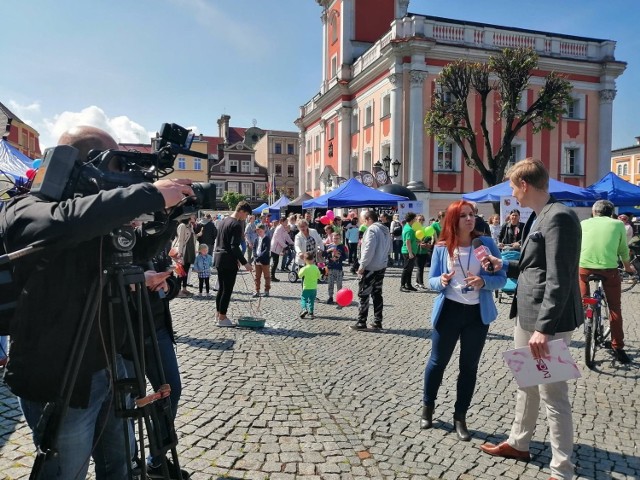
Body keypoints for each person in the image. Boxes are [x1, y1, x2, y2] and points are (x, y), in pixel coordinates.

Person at [0, 125, 194, 480]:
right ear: (87, 164)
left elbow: (136, 253)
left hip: (110, 366)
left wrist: (167, 221)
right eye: (117, 165)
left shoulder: (98, 221)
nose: (120, 178)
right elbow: (62, 224)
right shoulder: (26, 207)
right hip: (59, 376)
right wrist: (148, 195)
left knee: (119, 465)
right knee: (65, 473)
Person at [479, 158, 583, 480]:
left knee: (554, 394)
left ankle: (562, 468)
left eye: (513, 186)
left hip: (545, 323)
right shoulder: (539, 217)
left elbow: (560, 278)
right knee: (526, 383)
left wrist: (544, 329)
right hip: (527, 316)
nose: (513, 193)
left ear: (524, 184)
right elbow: (533, 269)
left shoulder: (559, 217)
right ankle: (518, 442)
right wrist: (502, 265)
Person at [422, 200, 506, 441]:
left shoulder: (486, 244)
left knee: (468, 367)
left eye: (472, 215)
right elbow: (432, 280)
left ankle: (460, 417)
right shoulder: (442, 247)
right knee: (438, 362)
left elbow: (501, 278)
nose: (469, 219)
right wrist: (443, 281)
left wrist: (484, 282)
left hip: (476, 315)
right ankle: (428, 407)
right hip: (448, 311)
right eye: (463, 216)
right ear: (453, 220)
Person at [578, 200, 636, 364]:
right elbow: (623, 250)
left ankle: (586, 308)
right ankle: (618, 347)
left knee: (584, 293)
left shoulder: (583, 223)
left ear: (594, 211)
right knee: (614, 308)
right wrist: (628, 268)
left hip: (584, 268)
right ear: (611, 213)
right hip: (608, 270)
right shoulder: (618, 225)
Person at [213, 201, 253, 326]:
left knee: (221, 289)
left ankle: (218, 314)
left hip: (219, 258)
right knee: (227, 290)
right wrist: (245, 262)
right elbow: (234, 246)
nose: (245, 218)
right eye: (246, 215)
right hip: (228, 260)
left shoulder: (223, 221)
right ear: (242, 211)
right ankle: (222, 318)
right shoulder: (236, 224)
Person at [350, 211, 392, 330]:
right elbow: (390, 248)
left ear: (368, 219)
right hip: (381, 266)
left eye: (363, 219)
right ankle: (378, 321)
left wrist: (362, 265)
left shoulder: (371, 230)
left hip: (370, 267)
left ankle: (361, 322)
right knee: (377, 294)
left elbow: (369, 249)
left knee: (364, 294)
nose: (362, 222)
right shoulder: (385, 229)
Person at [172, 216, 197, 296]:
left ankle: (184, 288)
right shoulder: (182, 225)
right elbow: (180, 240)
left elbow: (192, 238)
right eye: (193, 216)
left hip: (190, 251)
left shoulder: (190, 225)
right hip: (183, 251)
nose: (195, 217)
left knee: (186, 271)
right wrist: (179, 253)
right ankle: (178, 291)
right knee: (181, 272)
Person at [324, 232, 348, 305]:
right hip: (330, 267)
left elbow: (346, 257)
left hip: (339, 268)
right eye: (334, 238)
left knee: (339, 284)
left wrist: (339, 256)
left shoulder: (342, 247)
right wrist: (328, 251)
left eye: (337, 238)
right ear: (332, 238)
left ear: (340, 238)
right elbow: (324, 255)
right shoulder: (329, 246)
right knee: (330, 284)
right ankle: (330, 297)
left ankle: (339, 298)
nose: (335, 240)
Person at [298, 251, 322, 319]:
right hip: (314, 288)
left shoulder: (304, 268)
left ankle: (304, 309)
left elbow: (299, 275)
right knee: (311, 300)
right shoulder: (316, 268)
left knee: (304, 299)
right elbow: (319, 276)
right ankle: (311, 312)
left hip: (306, 287)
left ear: (305, 260)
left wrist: (300, 270)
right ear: (313, 259)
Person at [270, 217, 293, 282]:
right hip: (274, 247)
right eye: (285, 221)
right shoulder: (279, 228)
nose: (287, 223)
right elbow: (279, 239)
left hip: (277, 248)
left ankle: (272, 276)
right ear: (282, 222)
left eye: (287, 222)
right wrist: (285, 246)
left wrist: (292, 243)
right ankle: (272, 276)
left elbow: (287, 237)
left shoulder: (283, 228)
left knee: (275, 262)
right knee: (275, 262)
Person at [400, 212, 418, 292]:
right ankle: (402, 285)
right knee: (406, 269)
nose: (416, 220)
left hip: (410, 251)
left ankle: (409, 284)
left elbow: (411, 240)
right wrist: (410, 253)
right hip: (408, 252)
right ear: (412, 219)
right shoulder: (409, 229)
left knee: (410, 269)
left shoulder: (408, 227)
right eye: (415, 218)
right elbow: (407, 241)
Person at [252, 223, 271, 298]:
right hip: (257, 261)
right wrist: (255, 256)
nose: (258, 232)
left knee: (266, 276)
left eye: (260, 231)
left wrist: (259, 257)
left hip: (264, 260)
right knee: (257, 277)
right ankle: (257, 291)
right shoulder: (257, 239)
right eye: (257, 231)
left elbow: (266, 250)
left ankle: (266, 291)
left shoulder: (267, 239)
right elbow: (254, 248)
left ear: (264, 230)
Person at [414, 214, 432, 289]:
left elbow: (429, 237)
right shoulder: (414, 229)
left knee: (421, 267)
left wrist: (427, 244)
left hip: (424, 251)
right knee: (420, 267)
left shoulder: (425, 228)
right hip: (417, 250)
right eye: (419, 219)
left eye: (422, 220)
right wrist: (419, 243)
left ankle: (417, 282)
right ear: (416, 220)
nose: (421, 221)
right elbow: (413, 240)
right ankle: (421, 283)